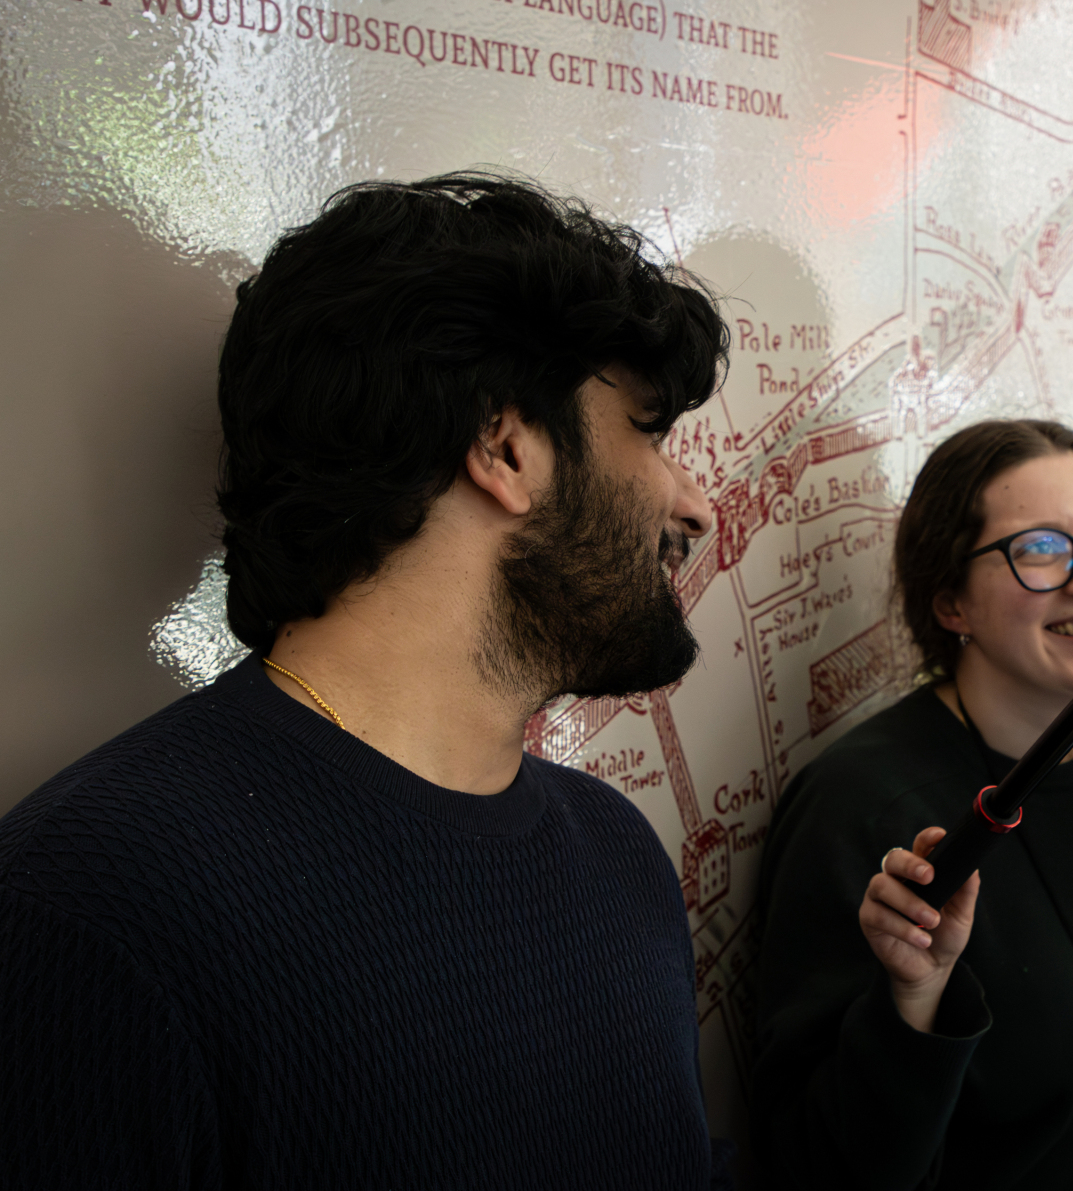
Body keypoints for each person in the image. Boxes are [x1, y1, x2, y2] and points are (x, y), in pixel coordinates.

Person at [0, 173, 735, 1188]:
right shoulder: (91, 912)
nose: (697, 506)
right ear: (506, 446)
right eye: (650, 434)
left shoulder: (616, 854)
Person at [752, 419, 1073, 1190]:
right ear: (950, 603)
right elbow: (813, 1165)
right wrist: (914, 1001)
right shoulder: (860, 808)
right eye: (1039, 548)